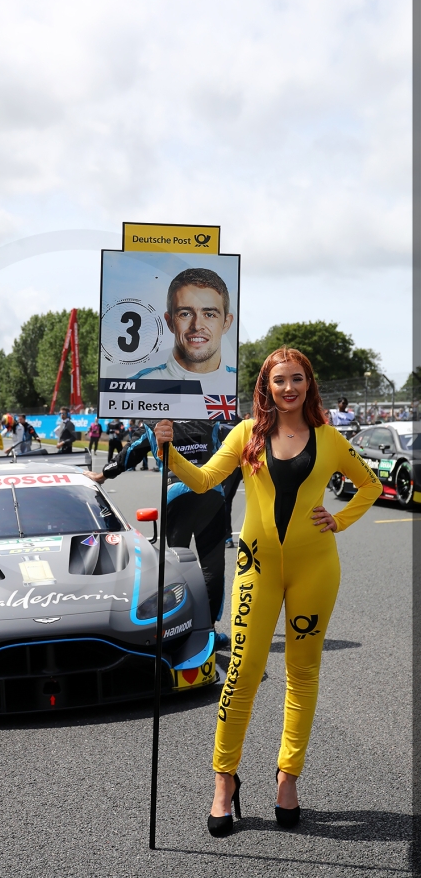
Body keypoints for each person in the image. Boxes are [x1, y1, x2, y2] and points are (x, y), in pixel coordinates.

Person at [153, 348, 382, 836]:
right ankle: (223, 780)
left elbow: (370, 486)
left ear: (308, 383)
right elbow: (203, 480)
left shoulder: (330, 438)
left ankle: (287, 777)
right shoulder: (245, 435)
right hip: (256, 569)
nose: (289, 388)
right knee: (242, 670)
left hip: (316, 569)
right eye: (280, 380)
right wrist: (167, 450)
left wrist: (338, 520)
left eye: (297, 379)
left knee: (302, 673)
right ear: (267, 386)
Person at [86, 418, 234, 644]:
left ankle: (179, 629)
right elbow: (247, 441)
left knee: (176, 567)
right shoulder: (211, 421)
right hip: (211, 493)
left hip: (176, 493)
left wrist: (102, 475)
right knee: (212, 566)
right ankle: (209, 630)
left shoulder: (154, 421)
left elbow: (130, 453)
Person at [130, 268, 236, 392]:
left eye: (209, 314)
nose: (197, 325)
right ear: (169, 322)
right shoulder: (137, 387)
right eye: (185, 314)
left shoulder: (244, 387)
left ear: (226, 323)